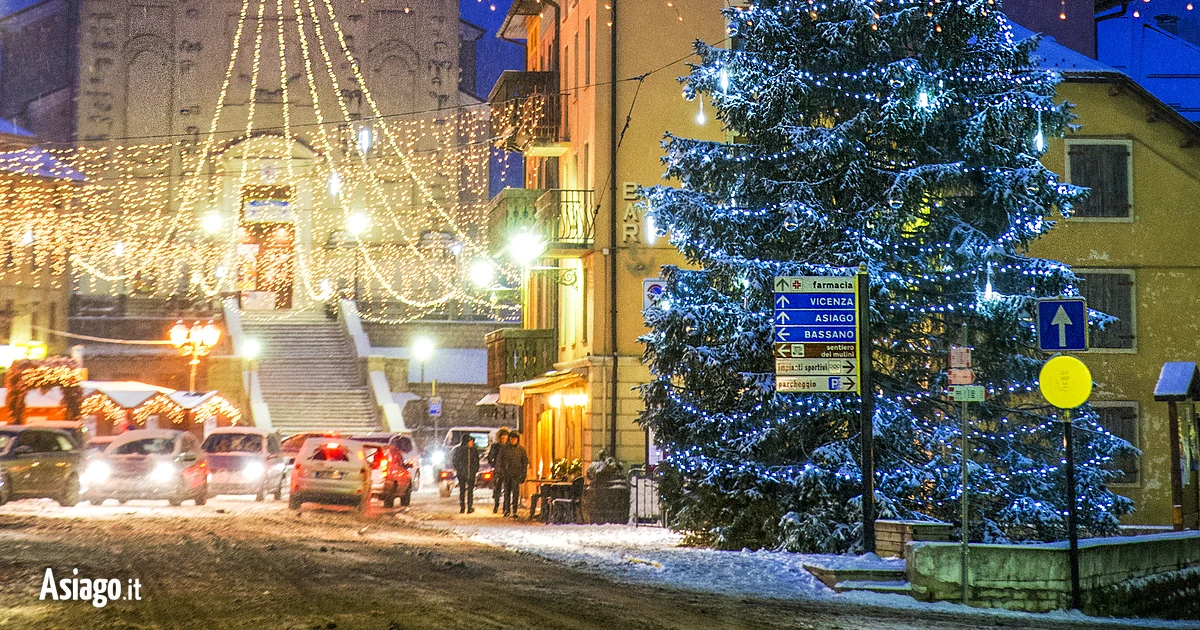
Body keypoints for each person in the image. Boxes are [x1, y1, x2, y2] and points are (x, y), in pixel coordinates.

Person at [500, 432, 529, 518]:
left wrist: (523, 473)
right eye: (512, 439)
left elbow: (525, 462)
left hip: (516, 475)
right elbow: (500, 461)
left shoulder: (521, 450)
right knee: (507, 493)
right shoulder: (505, 449)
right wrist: (501, 472)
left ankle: (515, 510)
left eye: (515, 439)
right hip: (507, 474)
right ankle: (507, 509)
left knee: (515, 493)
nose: (513, 440)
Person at [450, 435, 480, 514]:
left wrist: (475, 469)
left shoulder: (470, 450)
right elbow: (456, 461)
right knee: (466, 490)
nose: (472, 443)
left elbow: (476, 461)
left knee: (465, 490)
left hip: (467, 473)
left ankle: (466, 507)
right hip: (465, 473)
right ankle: (466, 507)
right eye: (470, 441)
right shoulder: (464, 450)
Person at [488, 427, 511, 513]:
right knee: (497, 488)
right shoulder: (496, 446)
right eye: (502, 438)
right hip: (498, 470)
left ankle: (505, 506)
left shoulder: (510, 447)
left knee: (507, 489)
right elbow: (490, 456)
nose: (504, 440)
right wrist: (493, 464)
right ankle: (496, 504)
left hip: (508, 470)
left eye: (506, 438)